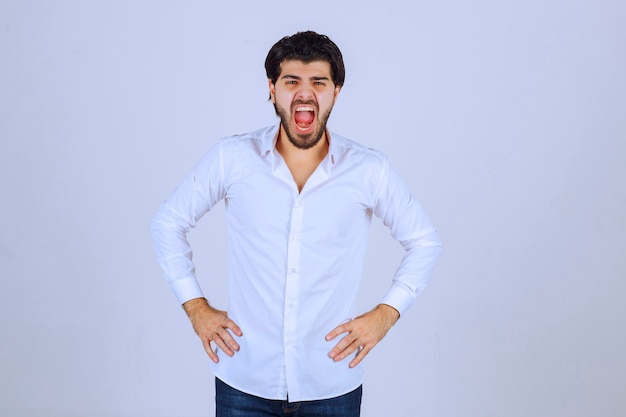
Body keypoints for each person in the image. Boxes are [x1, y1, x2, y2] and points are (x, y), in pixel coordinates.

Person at [151, 30, 442, 417]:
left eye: (318, 82)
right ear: (272, 89)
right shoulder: (232, 158)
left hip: (331, 385)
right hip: (244, 381)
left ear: (336, 92)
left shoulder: (369, 170)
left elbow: (425, 241)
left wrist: (385, 315)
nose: (305, 94)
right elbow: (168, 222)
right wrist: (196, 307)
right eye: (291, 82)